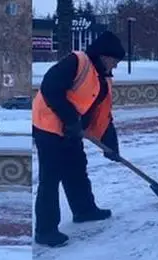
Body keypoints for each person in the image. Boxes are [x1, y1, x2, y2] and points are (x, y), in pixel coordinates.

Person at [31, 31, 126, 247]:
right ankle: (45, 230)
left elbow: (103, 116)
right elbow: (50, 87)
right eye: (115, 61)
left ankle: (84, 210)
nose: (116, 66)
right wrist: (71, 117)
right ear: (104, 56)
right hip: (48, 125)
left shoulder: (104, 80)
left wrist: (111, 146)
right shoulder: (77, 62)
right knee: (51, 177)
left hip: (71, 130)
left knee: (76, 167)